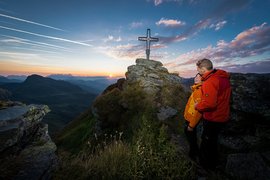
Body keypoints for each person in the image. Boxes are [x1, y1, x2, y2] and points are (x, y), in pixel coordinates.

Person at [195, 58, 231, 170]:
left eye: (199, 70)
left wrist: (198, 106)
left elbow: (210, 104)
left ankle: (205, 168)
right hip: (223, 115)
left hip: (213, 118)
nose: (198, 72)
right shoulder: (222, 77)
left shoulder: (210, 82)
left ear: (203, 69)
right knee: (213, 141)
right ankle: (215, 162)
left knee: (207, 143)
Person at [183, 73, 203, 161]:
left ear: (203, 79)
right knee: (192, 137)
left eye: (199, 77)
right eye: (196, 76)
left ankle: (192, 156)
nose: (196, 78)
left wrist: (191, 125)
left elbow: (198, 112)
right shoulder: (196, 89)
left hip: (191, 119)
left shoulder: (199, 91)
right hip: (189, 117)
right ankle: (195, 153)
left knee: (191, 137)